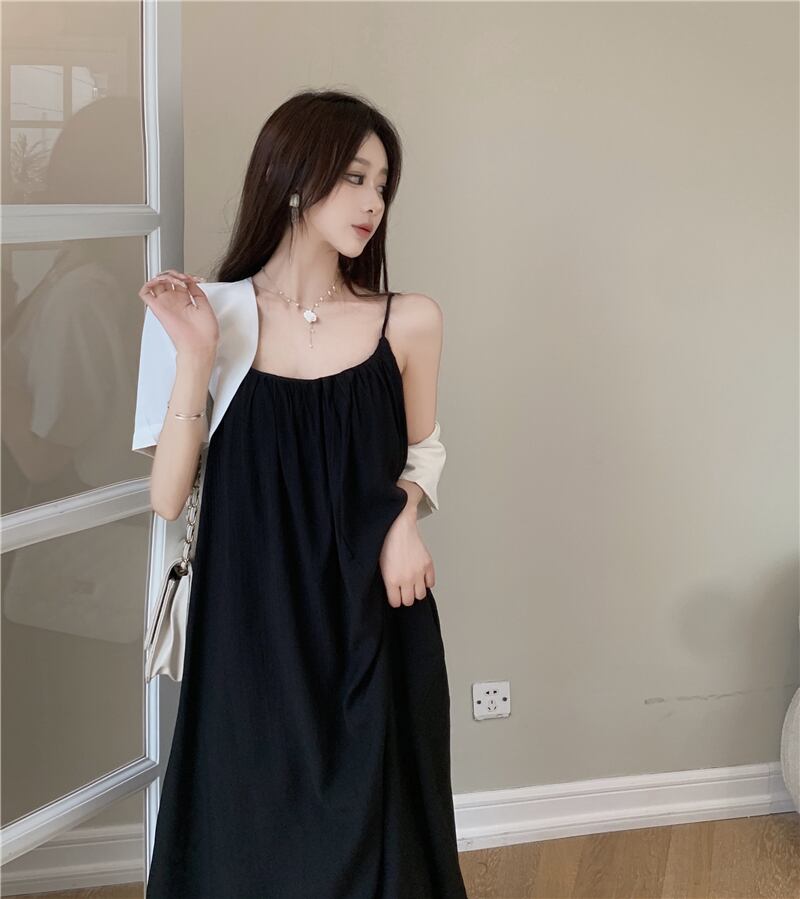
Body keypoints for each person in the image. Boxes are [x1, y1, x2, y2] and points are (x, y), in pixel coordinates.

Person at [135, 89, 468, 898]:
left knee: (384, 832)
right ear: (292, 177)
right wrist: (196, 355)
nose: (372, 201)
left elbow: (422, 451)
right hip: (249, 619)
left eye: (382, 184)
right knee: (248, 829)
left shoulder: (409, 321)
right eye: (353, 177)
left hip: (373, 611)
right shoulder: (203, 313)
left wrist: (404, 517)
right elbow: (169, 497)